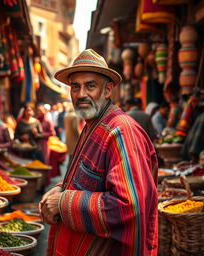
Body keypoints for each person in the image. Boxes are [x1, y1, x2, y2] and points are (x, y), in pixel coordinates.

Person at [39, 49, 158, 255]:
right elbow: (88, 180)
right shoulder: (93, 124)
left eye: (90, 86)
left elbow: (127, 205)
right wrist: (61, 188)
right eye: (75, 87)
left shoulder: (121, 132)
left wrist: (63, 202)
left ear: (107, 90)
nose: (81, 94)